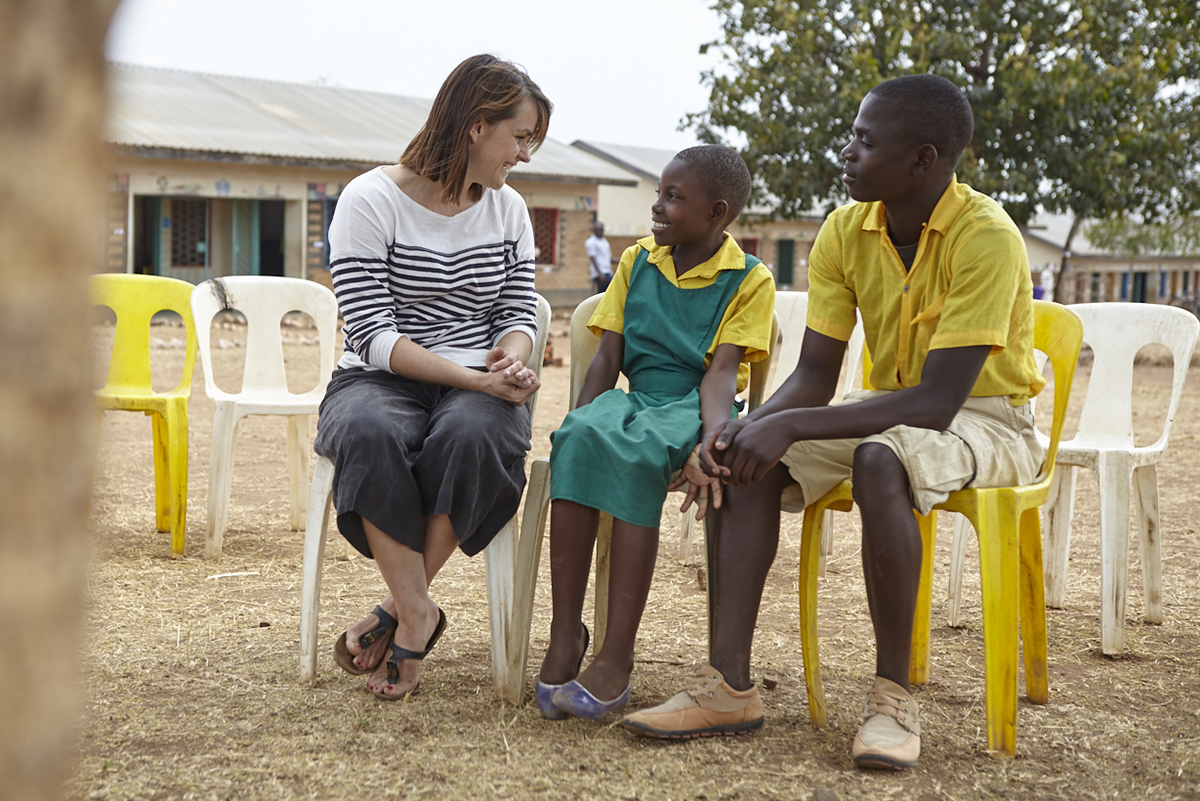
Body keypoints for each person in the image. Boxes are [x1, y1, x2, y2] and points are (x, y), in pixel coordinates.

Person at [622, 74, 1046, 771]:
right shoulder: (848, 230)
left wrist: (793, 426)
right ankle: (728, 686)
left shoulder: (988, 238)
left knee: (882, 458)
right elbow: (817, 374)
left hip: (987, 418)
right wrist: (742, 426)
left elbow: (939, 400)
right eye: (852, 134)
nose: (846, 152)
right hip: (891, 408)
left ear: (923, 160)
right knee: (745, 452)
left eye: (865, 140)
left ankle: (891, 699)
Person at [313, 54, 552, 701]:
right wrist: (473, 380)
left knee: (477, 437)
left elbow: (518, 308)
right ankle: (419, 612)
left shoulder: (508, 210)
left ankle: (397, 607)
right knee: (366, 429)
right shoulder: (369, 201)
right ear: (477, 126)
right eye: (521, 136)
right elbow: (372, 334)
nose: (525, 154)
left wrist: (509, 352)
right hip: (378, 377)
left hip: (479, 381)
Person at [534, 146, 775, 721]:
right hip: (636, 395)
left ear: (717, 212)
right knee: (578, 438)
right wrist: (580, 419)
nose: (658, 207)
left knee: (639, 450)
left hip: (693, 404)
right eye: (659, 193)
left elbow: (720, 376)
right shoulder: (638, 260)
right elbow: (606, 356)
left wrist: (710, 441)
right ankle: (566, 631)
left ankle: (617, 655)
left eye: (674, 197)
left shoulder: (748, 278)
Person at [585, 221, 616, 293]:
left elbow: (609, 258)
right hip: (600, 273)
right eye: (597, 229)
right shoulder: (591, 241)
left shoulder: (604, 241)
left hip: (608, 272)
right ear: (594, 230)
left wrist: (623, 259)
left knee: (604, 294)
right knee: (606, 293)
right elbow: (593, 258)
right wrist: (600, 274)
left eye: (601, 229)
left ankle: (599, 304)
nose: (599, 231)